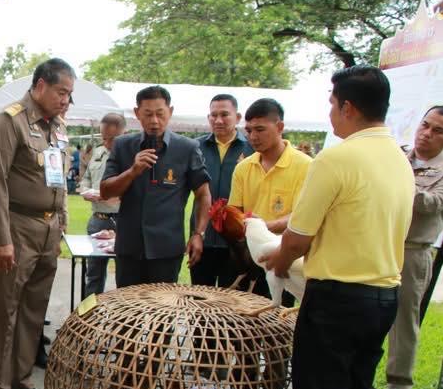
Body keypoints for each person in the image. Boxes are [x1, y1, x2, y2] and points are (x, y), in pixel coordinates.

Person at [244, 66, 413, 389]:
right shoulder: (397, 157)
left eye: (332, 102)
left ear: (348, 107)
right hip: (382, 296)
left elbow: (297, 240)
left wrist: (273, 260)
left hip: (337, 297)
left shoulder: (336, 159)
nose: (330, 112)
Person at [0, 58, 74, 389]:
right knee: (3, 309)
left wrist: (62, 223)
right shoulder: (10, 120)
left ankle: (19, 379)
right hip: (16, 227)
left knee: (33, 312)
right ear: (39, 86)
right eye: (60, 91)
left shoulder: (59, 127)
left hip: (48, 229)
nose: (66, 99)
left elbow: (60, 180)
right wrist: (1, 240)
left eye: (69, 94)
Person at [100, 85, 212, 286]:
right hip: (129, 247)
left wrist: (198, 233)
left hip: (167, 249)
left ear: (170, 112)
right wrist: (132, 171)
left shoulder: (187, 148)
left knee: (163, 312)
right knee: (128, 312)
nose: (154, 121)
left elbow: (203, 194)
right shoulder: (123, 145)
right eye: (148, 114)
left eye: (160, 114)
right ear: (137, 114)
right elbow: (106, 191)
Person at [385, 105, 443, 389]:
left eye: (437, 130)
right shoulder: (398, 155)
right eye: (425, 125)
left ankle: (399, 384)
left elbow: (432, 202)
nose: (426, 134)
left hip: (413, 252)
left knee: (404, 319)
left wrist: (398, 182)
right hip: (381, 245)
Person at [229, 98, 312, 299]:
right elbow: (235, 211)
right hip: (251, 257)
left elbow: (304, 217)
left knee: (278, 318)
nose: (253, 136)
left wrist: (262, 226)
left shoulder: (306, 166)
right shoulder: (243, 167)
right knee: (243, 320)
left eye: (260, 129)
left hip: (287, 259)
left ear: (280, 126)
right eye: (248, 131)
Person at [191, 94, 253, 288]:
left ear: (238, 116)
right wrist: (196, 234)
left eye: (224, 114)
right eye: (213, 115)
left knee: (233, 302)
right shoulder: (195, 147)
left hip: (237, 240)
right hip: (203, 237)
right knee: (199, 300)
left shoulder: (252, 148)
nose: (218, 120)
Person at [80, 112, 126, 297]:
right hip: (98, 220)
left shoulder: (131, 155)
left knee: (124, 275)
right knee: (94, 274)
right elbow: (87, 178)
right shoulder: (98, 152)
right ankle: (88, 319)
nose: (107, 142)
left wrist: (118, 197)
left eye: (111, 138)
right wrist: (85, 191)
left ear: (124, 133)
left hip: (122, 220)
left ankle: (121, 320)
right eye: (103, 137)